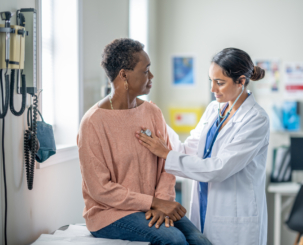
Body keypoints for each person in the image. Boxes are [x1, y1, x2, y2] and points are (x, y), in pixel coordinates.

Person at [77, 38, 212, 245]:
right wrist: (153, 202)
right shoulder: (93, 123)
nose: (151, 76)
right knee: (173, 239)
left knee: (200, 241)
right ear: (124, 74)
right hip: (110, 213)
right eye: (145, 70)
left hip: (153, 206)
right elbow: (100, 189)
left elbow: (166, 164)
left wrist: (162, 203)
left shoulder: (152, 112)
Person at [136, 48, 270, 245]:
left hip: (235, 217)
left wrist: (165, 153)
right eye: (211, 81)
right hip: (205, 209)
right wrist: (159, 122)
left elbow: (219, 168)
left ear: (241, 81)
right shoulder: (213, 110)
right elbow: (187, 151)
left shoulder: (256, 119)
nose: (213, 89)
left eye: (220, 83)